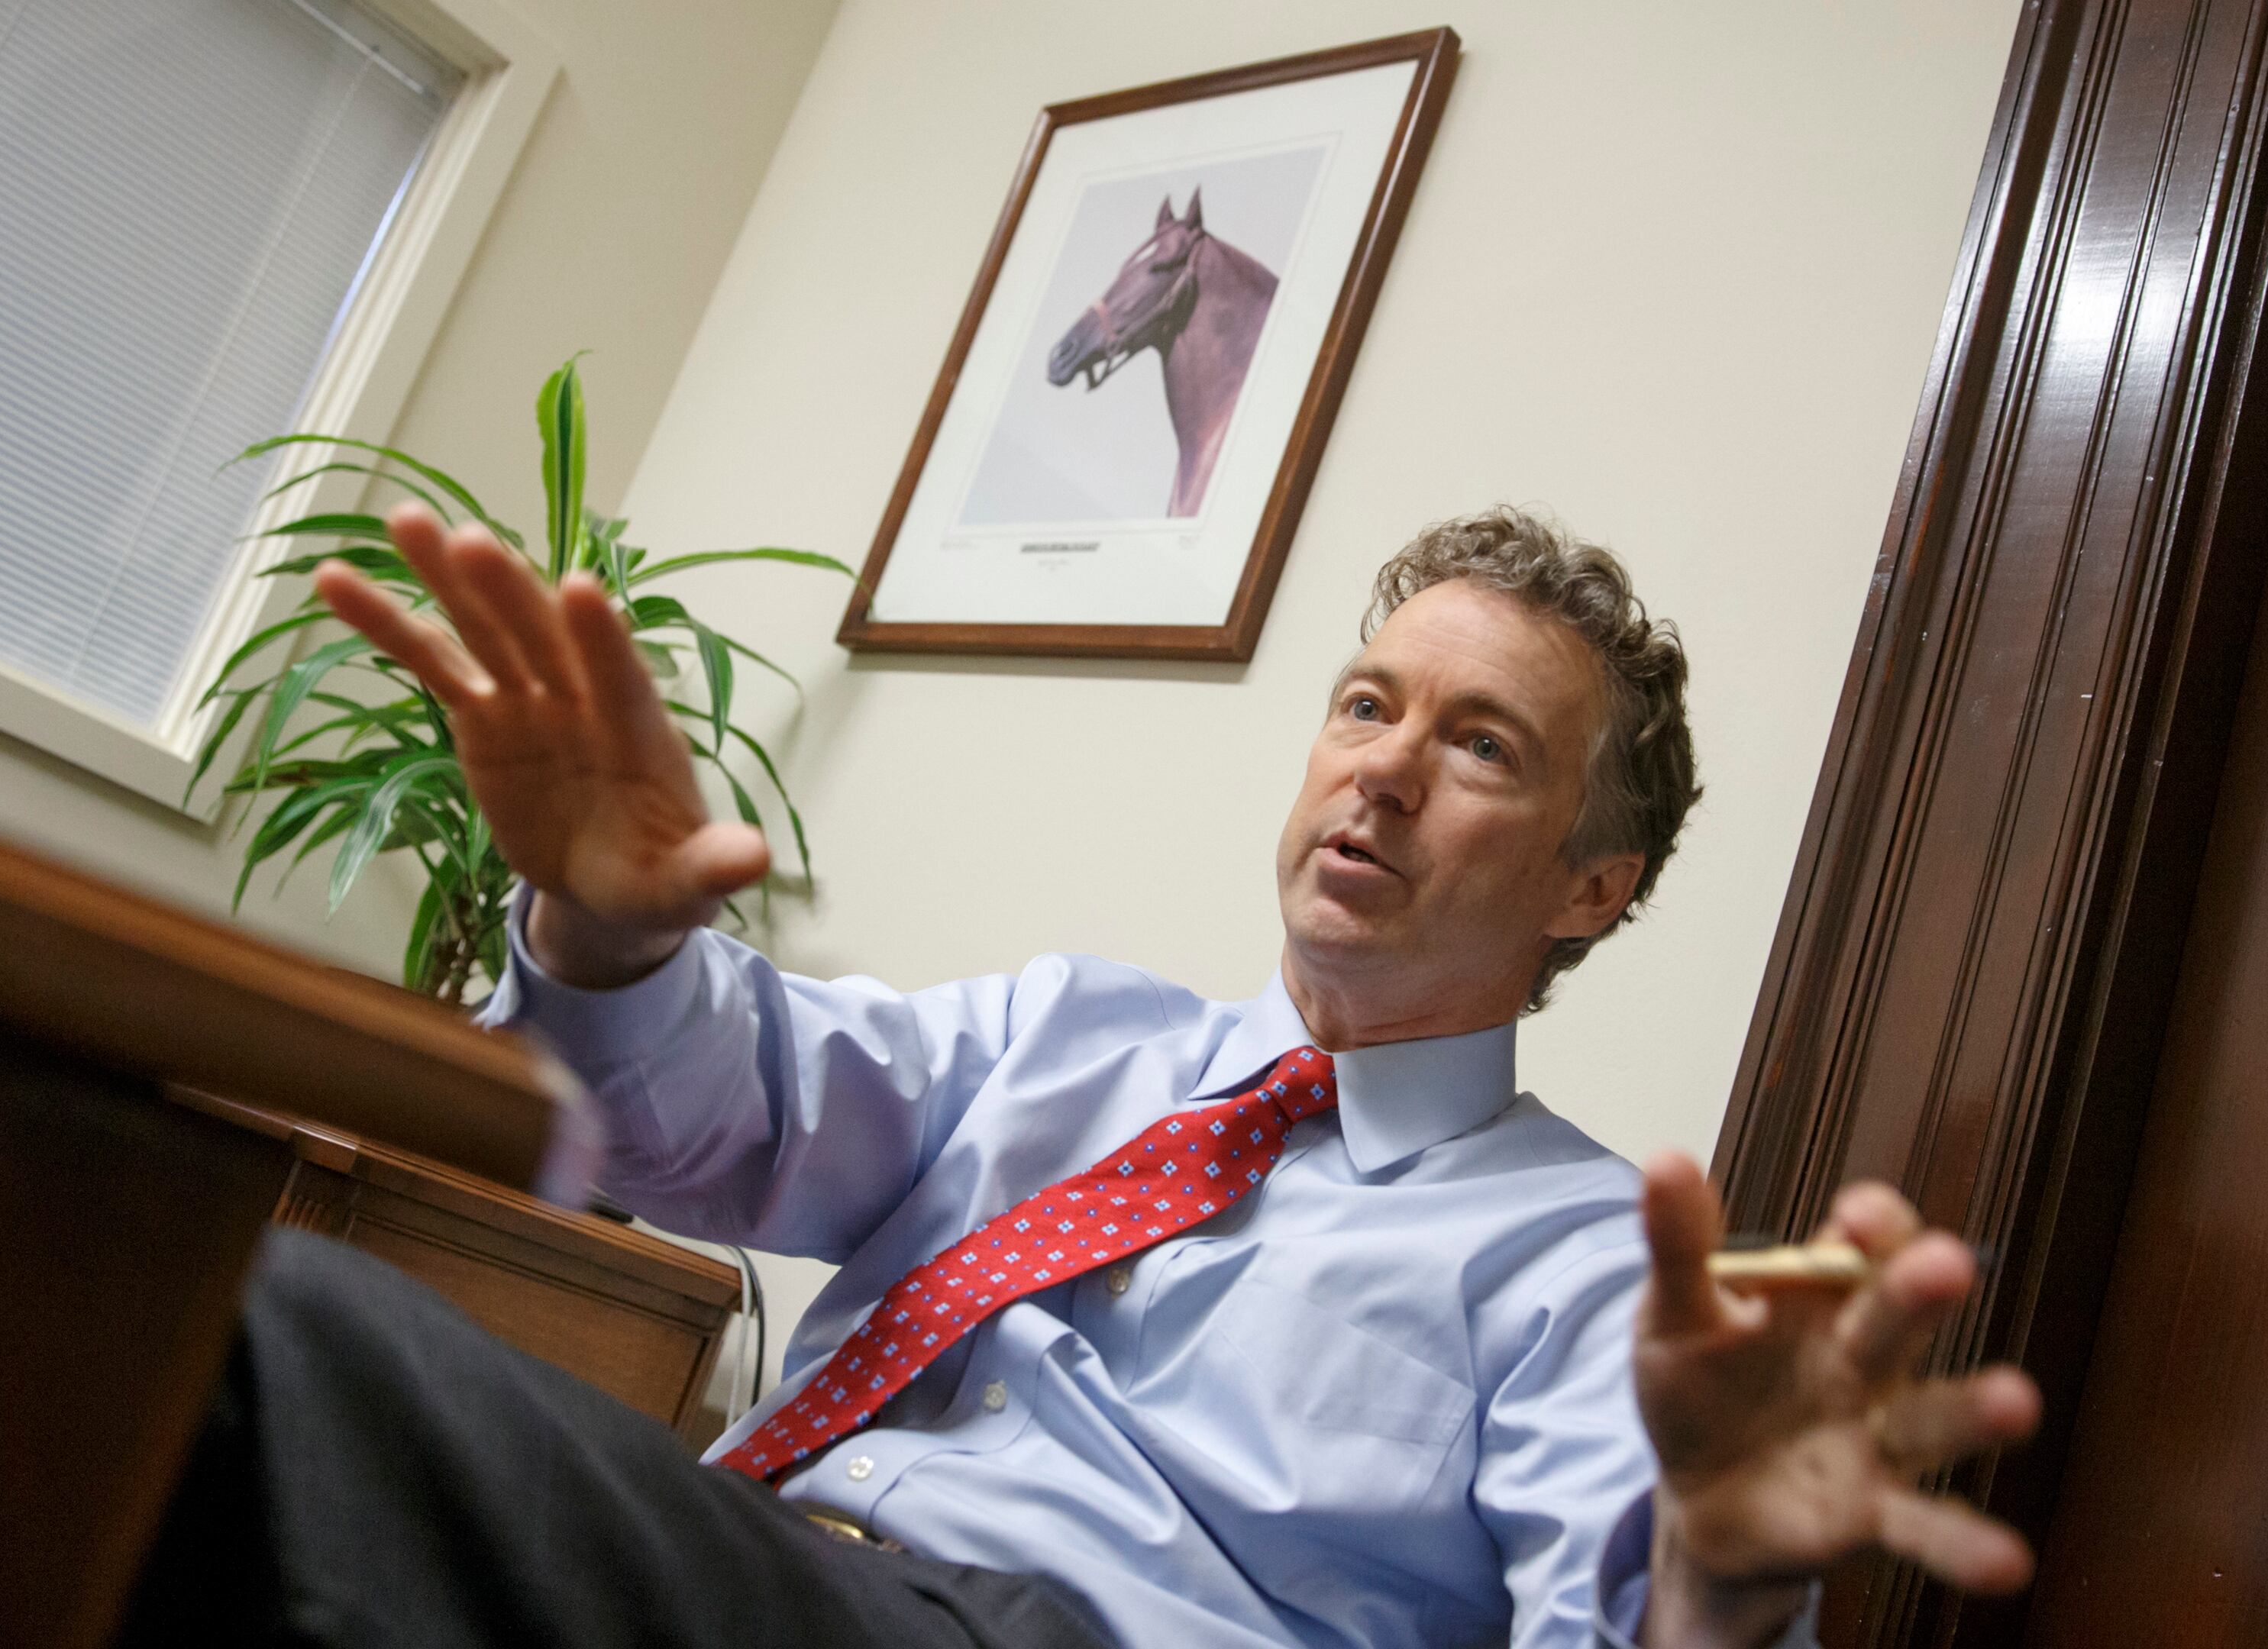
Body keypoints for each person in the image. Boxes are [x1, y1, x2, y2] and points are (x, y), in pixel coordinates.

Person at [124, 504, 2040, 1649]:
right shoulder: (1073, 1038)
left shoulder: (1592, 1270)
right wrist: (611, 938)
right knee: (143, 1321)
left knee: (260, 1327)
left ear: (1590, 888)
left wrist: (1719, 1586)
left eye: (1479, 748)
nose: (1378, 766)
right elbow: (715, 1108)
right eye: (1365, 703)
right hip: (759, 1565)